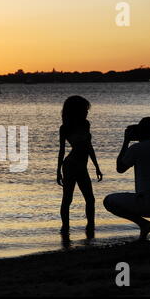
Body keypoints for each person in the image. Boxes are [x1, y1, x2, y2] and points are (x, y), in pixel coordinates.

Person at [103, 117, 150, 240]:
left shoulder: (136, 149)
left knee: (108, 201)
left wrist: (126, 141)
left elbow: (120, 168)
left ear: (140, 132)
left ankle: (143, 224)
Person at [57, 96, 103, 238]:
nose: (87, 112)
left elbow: (89, 146)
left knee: (90, 199)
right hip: (70, 166)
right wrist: (58, 171)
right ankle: (65, 229)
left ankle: (90, 228)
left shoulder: (85, 124)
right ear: (77, 110)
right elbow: (62, 150)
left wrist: (96, 166)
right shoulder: (65, 128)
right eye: (85, 109)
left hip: (82, 166)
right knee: (67, 199)